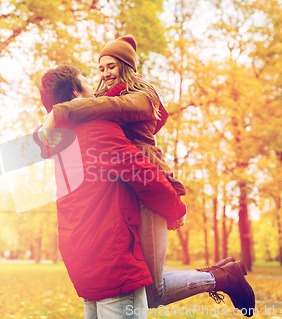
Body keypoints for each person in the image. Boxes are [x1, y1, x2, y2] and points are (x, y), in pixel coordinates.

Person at [37, 64, 255, 318]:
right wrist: (176, 208)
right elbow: (143, 172)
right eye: (85, 79)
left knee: (153, 291)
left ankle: (223, 278)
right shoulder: (95, 129)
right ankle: (223, 278)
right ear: (76, 93)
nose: (93, 82)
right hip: (111, 260)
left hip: (80, 260)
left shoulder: (56, 141)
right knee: (154, 292)